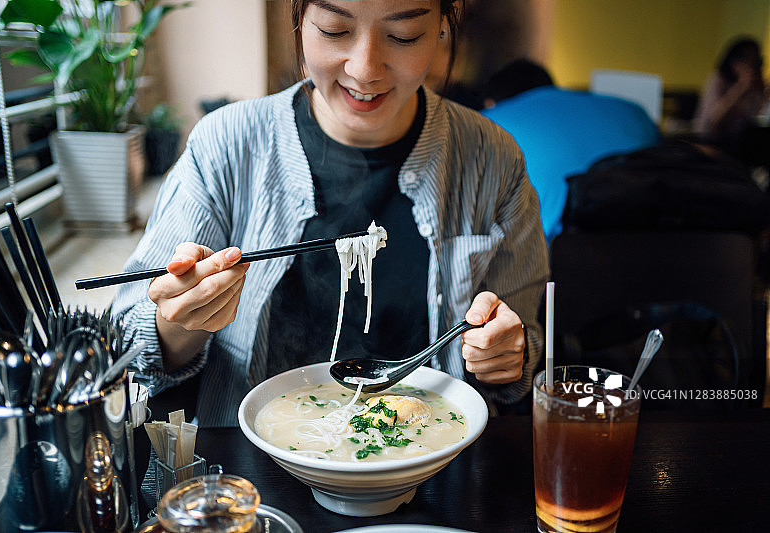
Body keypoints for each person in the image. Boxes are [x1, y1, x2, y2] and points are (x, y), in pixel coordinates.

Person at [112, 0, 549, 427]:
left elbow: (524, 355)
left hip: (438, 456)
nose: (365, 69)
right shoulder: (225, 144)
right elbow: (128, 351)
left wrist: (507, 355)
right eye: (334, 30)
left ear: (440, 28)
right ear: (300, 19)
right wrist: (179, 323)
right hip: (251, 464)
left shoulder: (493, 159)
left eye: (403, 35)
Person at [481, 59, 661, 243]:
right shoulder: (635, 112)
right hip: (656, 245)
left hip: (552, 252)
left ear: (492, 103)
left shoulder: (488, 124)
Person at [693, 37, 769, 150]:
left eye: (758, 62)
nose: (755, 68)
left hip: (741, 145)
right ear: (735, 63)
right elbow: (711, 123)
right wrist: (740, 88)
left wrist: (765, 94)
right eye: (751, 62)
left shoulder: (755, 87)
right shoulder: (718, 80)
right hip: (710, 144)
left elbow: (758, 120)